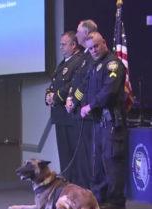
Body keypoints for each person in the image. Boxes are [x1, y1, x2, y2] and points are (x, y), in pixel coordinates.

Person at [80, 32, 127, 209]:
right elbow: (88, 89)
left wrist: (90, 106)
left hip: (112, 122)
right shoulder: (95, 65)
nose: (93, 50)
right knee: (98, 162)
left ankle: (116, 201)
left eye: (96, 46)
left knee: (111, 161)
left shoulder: (113, 64)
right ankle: (100, 198)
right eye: (90, 48)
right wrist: (82, 105)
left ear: (104, 43)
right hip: (99, 122)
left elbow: (109, 92)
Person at [45, 31, 83, 182]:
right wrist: (48, 95)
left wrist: (56, 96)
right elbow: (54, 83)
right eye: (60, 44)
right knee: (64, 153)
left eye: (64, 44)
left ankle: (75, 184)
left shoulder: (79, 61)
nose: (61, 47)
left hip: (70, 115)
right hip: (59, 115)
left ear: (74, 45)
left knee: (73, 153)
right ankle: (67, 184)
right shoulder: (64, 63)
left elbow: (74, 84)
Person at [65, 19, 98, 189]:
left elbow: (86, 84)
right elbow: (76, 82)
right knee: (81, 156)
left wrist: (75, 100)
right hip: (79, 110)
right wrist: (70, 98)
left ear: (86, 33)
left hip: (88, 112)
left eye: (78, 31)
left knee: (88, 156)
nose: (76, 34)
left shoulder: (91, 56)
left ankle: (87, 191)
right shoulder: (84, 56)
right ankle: (82, 189)